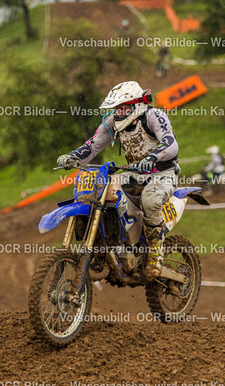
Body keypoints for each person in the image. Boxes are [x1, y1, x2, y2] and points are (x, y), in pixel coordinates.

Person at [57, 81, 180, 279]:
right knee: (98, 191)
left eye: (123, 108)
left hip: (162, 173)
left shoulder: (153, 116)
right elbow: (93, 145)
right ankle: (102, 247)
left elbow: (170, 143)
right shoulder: (112, 122)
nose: (119, 113)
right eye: (116, 109)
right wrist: (73, 157)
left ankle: (154, 255)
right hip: (133, 173)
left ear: (137, 105)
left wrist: (152, 157)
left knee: (150, 201)